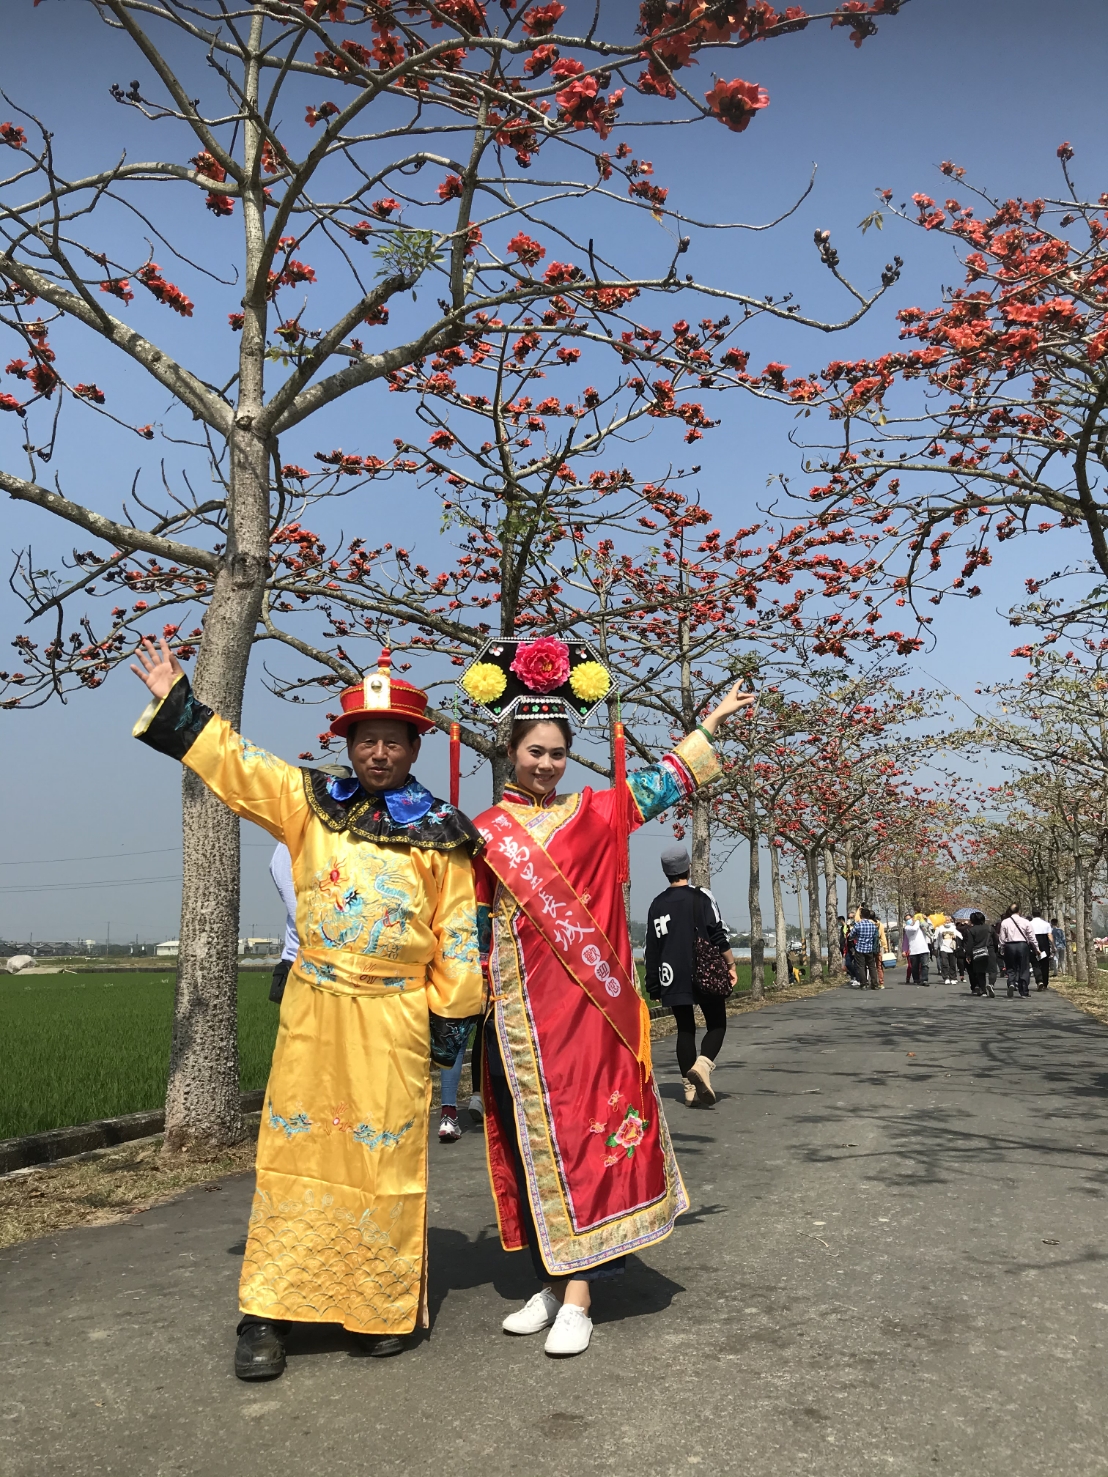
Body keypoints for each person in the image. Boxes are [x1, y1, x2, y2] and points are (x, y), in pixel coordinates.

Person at [131, 641, 484, 1379]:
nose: (379, 751)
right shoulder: (310, 802)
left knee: (385, 1161)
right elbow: (241, 766)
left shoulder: (443, 831)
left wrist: (448, 1031)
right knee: (297, 1156)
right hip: (316, 1010)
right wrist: (179, 703)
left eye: (393, 739)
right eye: (366, 738)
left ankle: (377, 1303)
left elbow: (456, 934)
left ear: (414, 745)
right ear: (347, 743)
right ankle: (266, 1312)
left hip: (394, 1019)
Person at [467, 642, 754, 1359]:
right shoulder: (485, 834)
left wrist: (709, 725)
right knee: (533, 1147)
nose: (547, 764)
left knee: (586, 1144)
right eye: (535, 751)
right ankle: (551, 1273)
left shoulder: (594, 814)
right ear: (508, 750)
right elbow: (468, 918)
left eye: (558, 752)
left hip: (589, 1016)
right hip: (514, 1020)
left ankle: (581, 1294)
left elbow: (661, 783)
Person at [644, 845, 736, 1106]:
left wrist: (654, 983)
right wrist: (730, 965)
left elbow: (652, 947)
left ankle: (688, 1089)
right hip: (703, 969)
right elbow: (717, 933)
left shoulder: (656, 904)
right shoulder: (701, 896)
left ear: (666, 873)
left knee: (685, 1029)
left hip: (671, 974)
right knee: (716, 1023)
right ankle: (703, 1066)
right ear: (688, 868)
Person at [997, 905, 1042, 998]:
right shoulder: (1025, 922)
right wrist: (1036, 948)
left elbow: (1002, 938)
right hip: (1022, 945)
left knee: (1010, 967)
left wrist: (1001, 948)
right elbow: (1031, 937)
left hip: (1009, 946)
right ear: (1019, 911)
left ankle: (1011, 983)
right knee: (1024, 968)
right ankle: (1024, 990)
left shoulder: (1005, 922)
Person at [962, 911, 997, 997]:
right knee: (992, 971)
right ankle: (991, 984)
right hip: (990, 950)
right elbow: (996, 940)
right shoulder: (990, 928)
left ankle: (983, 991)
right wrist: (995, 951)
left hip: (977, 952)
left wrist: (968, 955)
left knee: (980, 972)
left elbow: (969, 944)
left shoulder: (971, 930)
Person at [849, 907, 881, 990]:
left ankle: (864, 984)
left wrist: (855, 937)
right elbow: (875, 936)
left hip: (860, 948)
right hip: (869, 948)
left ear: (861, 915)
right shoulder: (873, 925)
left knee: (861, 966)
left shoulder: (858, 924)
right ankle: (875, 984)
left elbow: (851, 935)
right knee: (871, 966)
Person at [901, 913, 932, 985]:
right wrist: (917, 920)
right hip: (914, 950)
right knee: (915, 967)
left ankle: (924, 980)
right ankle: (916, 979)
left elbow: (930, 926)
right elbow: (914, 929)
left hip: (923, 948)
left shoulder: (920, 925)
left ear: (912, 918)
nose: (908, 920)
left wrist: (925, 918)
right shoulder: (907, 928)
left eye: (909, 919)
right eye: (906, 920)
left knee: (925, 965)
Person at [1028, 909, 1053, 991]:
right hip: (1044, 944)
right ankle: (1045, 983)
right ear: (1040, 914)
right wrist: (1053, 945)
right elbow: (1049, 935)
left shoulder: (1029, 924)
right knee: (1045, 964)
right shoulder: (1046, 924)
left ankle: (1039, 981)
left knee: (1035, 964)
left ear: (1032, 914)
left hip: (1033, 944)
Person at [934, 917, 961, 983]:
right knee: (944, 964)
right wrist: (935, 948)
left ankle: (953, 978)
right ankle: (946, 977)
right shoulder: (939, 929)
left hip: (952, 949)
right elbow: (936, 938)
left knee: (952, 964)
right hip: (943, 948)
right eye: (946, 920)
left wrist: (955, 937)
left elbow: (961, 937)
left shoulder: (953, 928)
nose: (947, 922)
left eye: (948, 920)